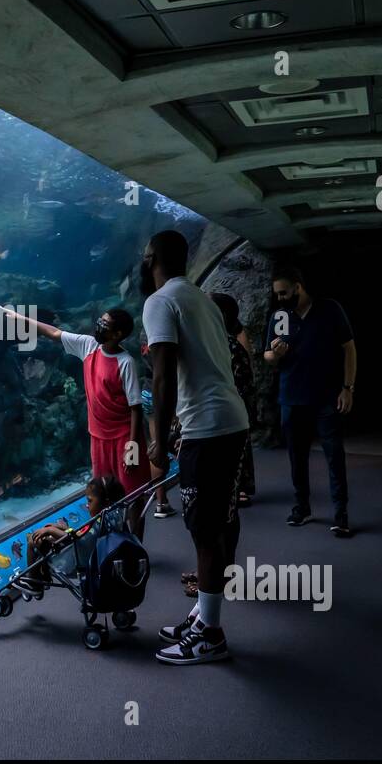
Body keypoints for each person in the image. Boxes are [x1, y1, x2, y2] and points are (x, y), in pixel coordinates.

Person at [141, 230, 250, 665]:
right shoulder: (202, 298)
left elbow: (163, 372)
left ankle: (211, 635)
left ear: (151, 259)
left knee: (204, 531)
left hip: (208, 429)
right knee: (222, 521)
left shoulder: (159, 302)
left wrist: (158, 436)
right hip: (230, 420)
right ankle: (203, 613)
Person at [1, 307, 151, 535]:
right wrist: (20, 319)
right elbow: (54, 333)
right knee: (101, 493)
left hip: (123, 437)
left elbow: (135, 408)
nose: (99, 326)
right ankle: (110, 543)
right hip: (98, 436)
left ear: (118, 333)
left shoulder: (125, 362)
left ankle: (136, 544)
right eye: (100, 321)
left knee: (131, 494)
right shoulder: (89, 345)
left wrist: (132, 447)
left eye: (105, 324)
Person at [262, 266, 357, 537]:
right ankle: (301, 507)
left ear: (298, 287)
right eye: (277, 294)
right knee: (296, 456)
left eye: (284, 293)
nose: (280, 299)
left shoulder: (329, 309)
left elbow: (349, 348)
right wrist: (276, 355)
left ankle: (341, 514)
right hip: (291, 397)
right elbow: (267, 355)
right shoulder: (279, 316)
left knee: (334, 455)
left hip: (328, 397)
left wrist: (348, 387)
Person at [13, 475, 124, 595]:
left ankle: (33, 582)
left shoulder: (98, 523)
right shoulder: (113, 517)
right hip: (91, 554)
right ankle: (41, 576)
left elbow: (78, 539)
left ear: (105, 502)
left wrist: (51, 530)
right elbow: (81, 535)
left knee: (34, 541)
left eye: (90, 501)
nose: (87, 505)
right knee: (48, 537)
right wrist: (61, 528)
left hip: (79, 560)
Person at [208, 291, 257, 507]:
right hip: (226, 403)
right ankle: (233, 487)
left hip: (233, 402)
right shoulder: (215, 339)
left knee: (236, 446)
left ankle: (239, 488)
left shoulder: (232, 342)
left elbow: (244, 376)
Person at [140, 334, 177, 520]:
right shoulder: (166, 331)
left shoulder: (144, 330)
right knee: (184, 443)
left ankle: (161, 503)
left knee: (156, 446)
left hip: (147, 389)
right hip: (167, 391)